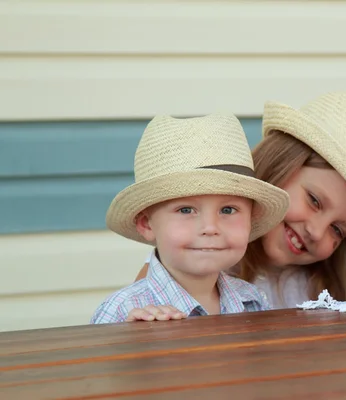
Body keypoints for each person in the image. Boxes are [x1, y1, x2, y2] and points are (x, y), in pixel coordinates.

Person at [133, 91, 346, 319]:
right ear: (278, 166)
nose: (316, 232)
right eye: (314, 201)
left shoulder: (322, 294)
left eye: (338, 230)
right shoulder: (191, 267)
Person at [90, 113, 289, 324]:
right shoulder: (122, 311)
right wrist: (134, 347)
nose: (210, 228)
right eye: (186, 210)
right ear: (146, 224)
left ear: (251, 218)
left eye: (228, 210)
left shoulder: (252, 301)